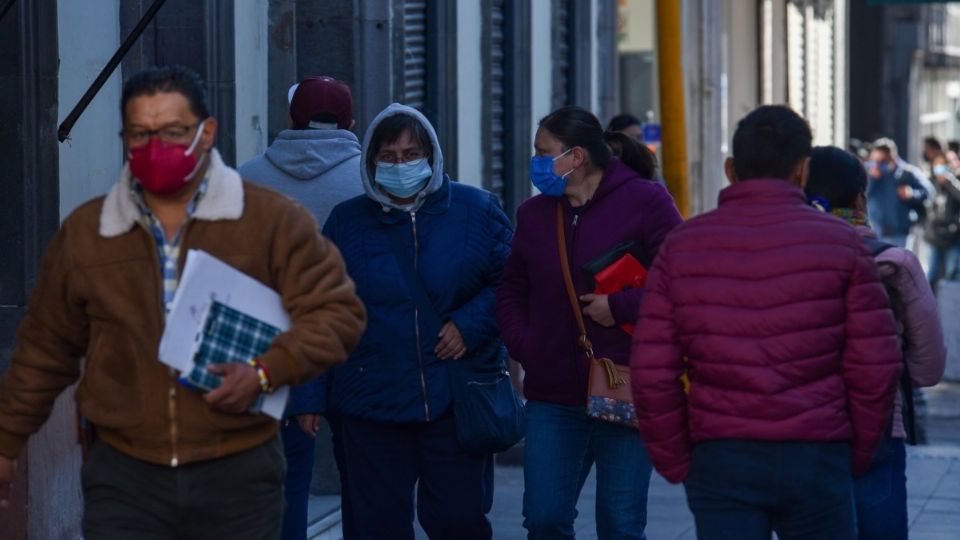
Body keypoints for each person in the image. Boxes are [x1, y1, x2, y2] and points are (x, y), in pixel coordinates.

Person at [0, 65, 367, 539]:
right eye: (141, 132)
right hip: (125, 471)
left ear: (206, 133)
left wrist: (265, 371)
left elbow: (340, 313)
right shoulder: (88, 234)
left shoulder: (271, 219)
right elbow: (44, 351)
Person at [630, 105, 902, 540]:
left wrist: (676, 457)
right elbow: (876, 365)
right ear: (802, 170)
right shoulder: (842, 245)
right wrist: (857, 451)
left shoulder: (684, 245)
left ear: (731, 169)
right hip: (817, 450)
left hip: (720, 452)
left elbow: (651, 369)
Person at [311, 103, 512, 540]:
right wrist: (311, 396)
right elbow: (318, 310)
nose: (401, 165)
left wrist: (470, 324)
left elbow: (513, 284)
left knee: (459, 522)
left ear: (432, 156)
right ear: (370, 162)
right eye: (388, 156)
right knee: (375, 527)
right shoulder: (347, 222)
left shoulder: (477, 211)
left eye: (411, 154)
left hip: (453, 401)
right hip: (371, 403)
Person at [497, 106, 683, 540]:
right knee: (544, 519)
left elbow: (683, 276)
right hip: (554, 395)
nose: (536, 162)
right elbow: (511, 288)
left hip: (626, 385)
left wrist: (620, 307)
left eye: (544, 152)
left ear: (575, 156)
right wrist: (526, 345)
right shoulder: (534, 214)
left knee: (620, 524)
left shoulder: (646, 202)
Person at [238, 75, 365, 540]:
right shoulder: (368, 180)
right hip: (357, 341)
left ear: (290, 119)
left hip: (275, 341)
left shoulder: (248, 175)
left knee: (287, 473)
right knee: (366, 476)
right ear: (352, 121)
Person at [805, 145, 946, 540]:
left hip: (797, 430)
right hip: (879, 427)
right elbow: (929, 367)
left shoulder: (778, 261)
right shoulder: (895, 264)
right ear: (861, 199)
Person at [866, 138, 930, 248]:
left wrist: (911, 194)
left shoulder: (908, 173)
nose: (878, 165)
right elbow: (863, 196)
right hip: (875, 232)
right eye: (875, 161)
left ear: (893, 158)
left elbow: (928, 192)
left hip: (900, 233)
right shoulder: (869, 174)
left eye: (882, 162)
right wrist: (872, 178)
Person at [920, 136, 960, 290]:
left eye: (944, 166)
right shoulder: (930, 181)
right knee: (931, 274)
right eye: (938, 166)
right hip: (933, 234)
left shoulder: (955, 181)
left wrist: (949, 182)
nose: (940, 170)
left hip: (953, 234)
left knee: (952, 276)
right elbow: (924, 200)